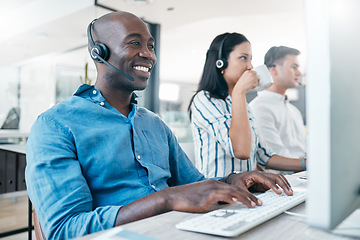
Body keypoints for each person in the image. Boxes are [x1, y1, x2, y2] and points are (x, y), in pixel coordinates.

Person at [25, 12, 293, 240]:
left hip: (177, 230)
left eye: (151, 46)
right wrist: (166, 199)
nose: (148, 55)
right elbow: (63, 230)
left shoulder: (154, 124)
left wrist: (235, 180)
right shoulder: (56, 125)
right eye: (134, 43)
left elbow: (195, 186)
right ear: (99, 53)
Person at [188, 33, 306, 178]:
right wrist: (239, 92)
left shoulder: (243, 105)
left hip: (246, 192)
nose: (250, 66)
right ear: (221, 62)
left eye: (251, 59)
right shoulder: (205, 100)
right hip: (218, 194)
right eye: (243, 58)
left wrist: (306, 164)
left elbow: (265, 157)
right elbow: (241, 151)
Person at [249, 46, 306, 160]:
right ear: (273, 69)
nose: (299, 73)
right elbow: (275, 158)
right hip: (285, 176)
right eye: (294, 67)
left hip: (304, 173)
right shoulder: (259, 108)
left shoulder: (293, 110)